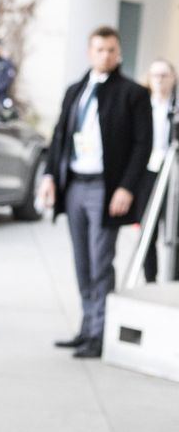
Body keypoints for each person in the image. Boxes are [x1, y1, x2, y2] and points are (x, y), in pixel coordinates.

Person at [39, 26, 151, 359]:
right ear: (90, 52)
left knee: (101, 262)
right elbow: (60, 135)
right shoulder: (76, 90)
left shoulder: (132, 93)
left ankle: (100, 333)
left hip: (106, 187)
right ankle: (87, 327)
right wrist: (48, 176)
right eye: (100, 49)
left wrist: (127, 188)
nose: (106, 55)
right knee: (81, 261)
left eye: (112, 50)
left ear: (119, 53)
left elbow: (142, 145)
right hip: (74, 184)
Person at [137, 59, 177, 283]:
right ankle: (150, 279)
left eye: (165, 75)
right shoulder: (142, 106)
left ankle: (173, 279)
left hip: (173, 173)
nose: (160, 80)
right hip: (149, 173)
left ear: (173, 78)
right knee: (147, 230)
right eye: (156, 75)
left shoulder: (175, 106)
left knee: (172, 230)